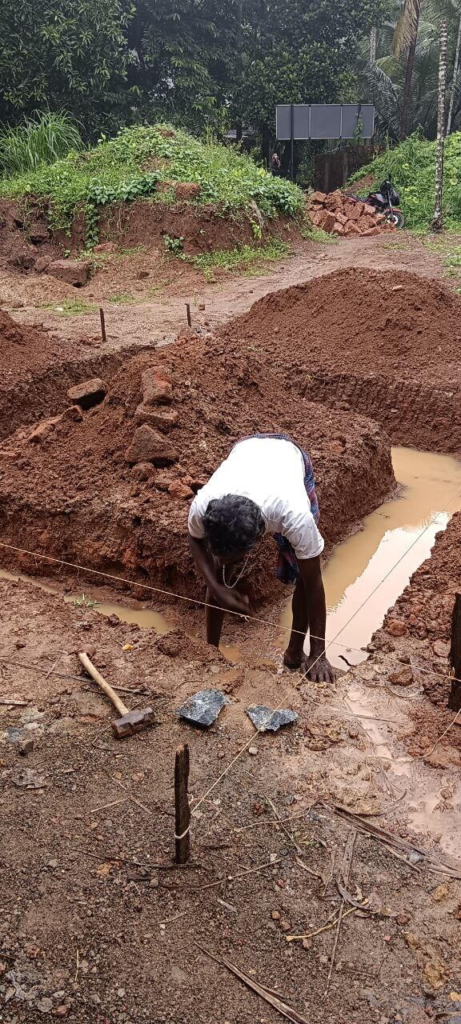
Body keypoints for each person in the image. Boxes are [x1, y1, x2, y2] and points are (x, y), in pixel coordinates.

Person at [188, 433, 334, 682]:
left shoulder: (295, 516)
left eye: (235, 557)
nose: (225, 561)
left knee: (301, 572)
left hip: (289, 454)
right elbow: (195, 540)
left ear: (256, 541)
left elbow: (313, 584)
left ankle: (295, 653)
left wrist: (319, 653)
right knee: (219, 571)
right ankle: (211, 648)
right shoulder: (203, 506)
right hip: (246, 449)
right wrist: (216, 586)